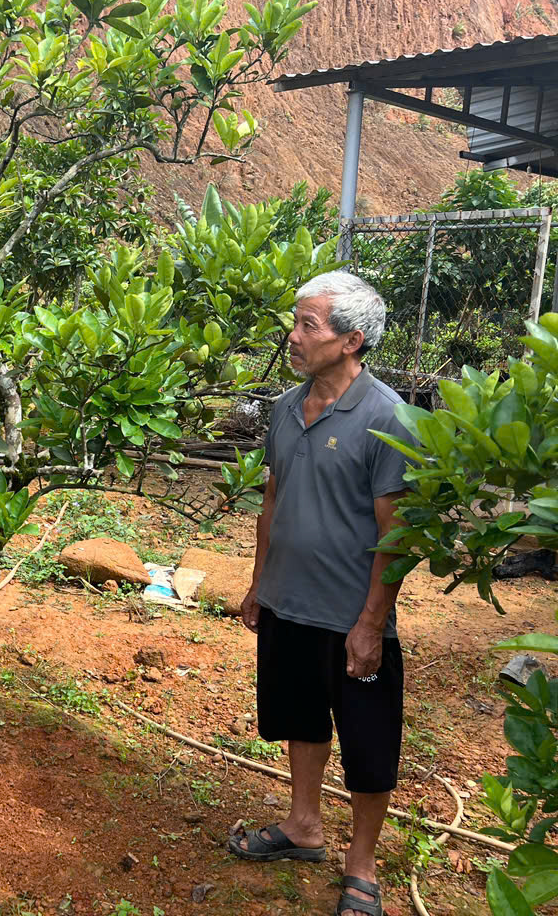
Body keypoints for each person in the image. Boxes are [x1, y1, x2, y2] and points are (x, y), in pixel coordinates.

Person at [229, 271, 411, 916]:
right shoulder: (285, 407)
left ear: (351, 340)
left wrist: (370, 622)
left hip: (349, 616)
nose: (294, 336)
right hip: (286, 603)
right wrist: (258, 584)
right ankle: (303, 825)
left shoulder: (387, 418)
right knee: (300, 718)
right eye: (297, 322)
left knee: (366, 739)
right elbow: (272, 501)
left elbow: (396, 534)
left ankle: (361, 865)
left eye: (309, 325)